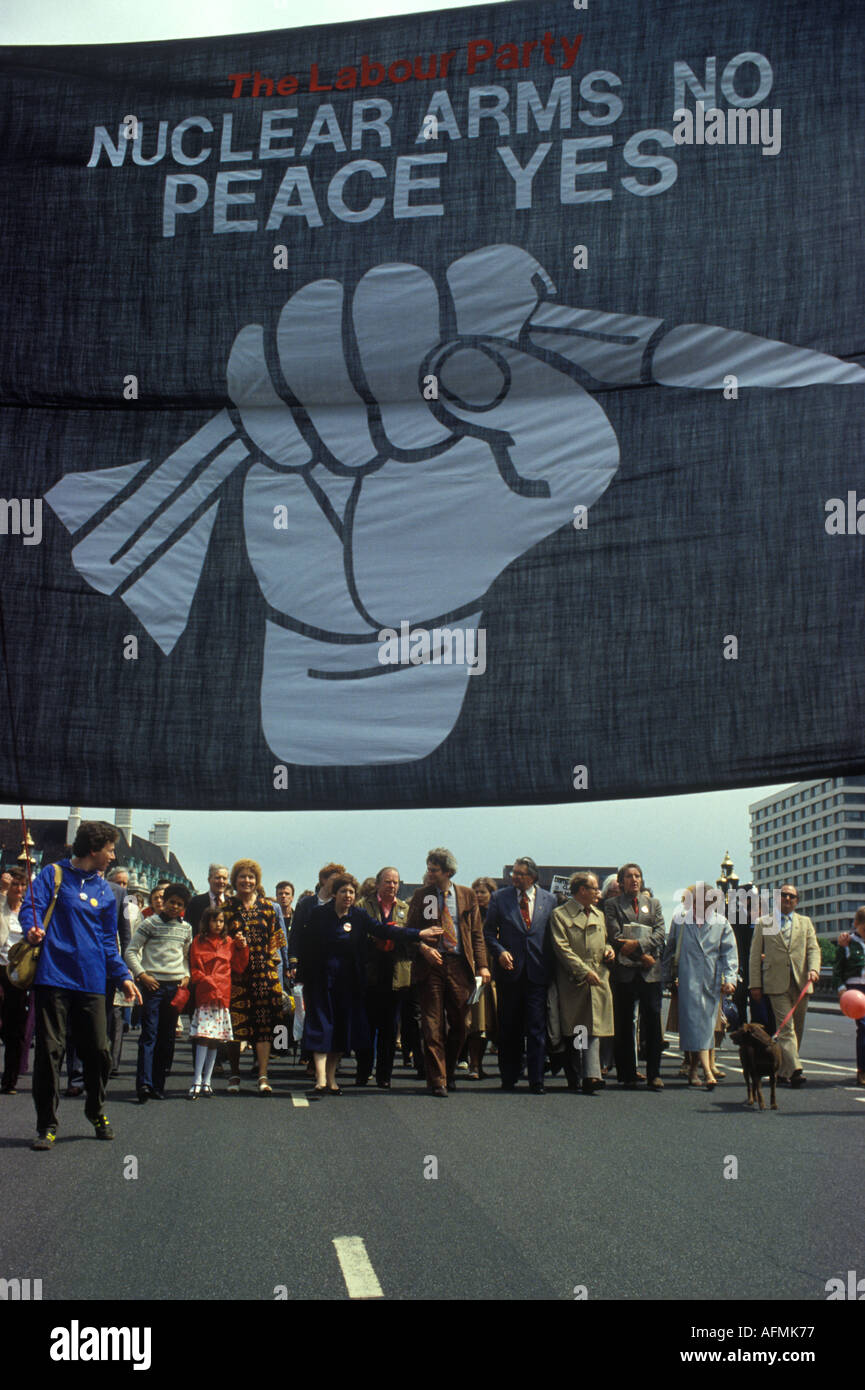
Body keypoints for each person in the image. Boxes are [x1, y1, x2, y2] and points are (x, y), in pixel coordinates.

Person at [19, 821, 142, 1150]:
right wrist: (32, 929)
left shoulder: (106, 891)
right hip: (53, 976)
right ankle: (47, 1125)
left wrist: (123, 976)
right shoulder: (53, 874)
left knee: (99, 1051)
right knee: (50, 1052)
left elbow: (108, 941)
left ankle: (95, 1109)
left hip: (91, 980)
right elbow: (32, 907)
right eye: (110, 850)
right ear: (93, 849)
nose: (112, 856)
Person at [298, 873, 441, 1096]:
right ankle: (321, 1078)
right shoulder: (319, 915)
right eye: (343, 891)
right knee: (321, 1026)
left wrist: (418, 934)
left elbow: (386, 930)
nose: (348, 895)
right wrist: (301, 975)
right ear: (334, 893)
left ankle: (332, 1079)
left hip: (348, 982)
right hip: (321, 980)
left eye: (351, 892)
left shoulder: (358, 916)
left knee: (340, 1029)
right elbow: (305, 946)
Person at [406, 848, 490, 1098]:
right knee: (432, 1025)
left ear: (448, 872)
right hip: (431, 965)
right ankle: (437, 1080)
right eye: (429, 869)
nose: (430, 874)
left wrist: (482, 965)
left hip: (459, 965)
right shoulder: (422, 896)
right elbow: (410, 932)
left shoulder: (466, 895)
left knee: (461, 1024)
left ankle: (449, 1069)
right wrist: (423, 949)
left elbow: (476, 934)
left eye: (434, 870)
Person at [484, 857, 555, 1094]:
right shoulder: (500, 898)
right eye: (513, 873)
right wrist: (499, 952)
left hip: (537, 972)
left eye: (519, 874)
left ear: (532, 877)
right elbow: (488, 933)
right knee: (509, 1027)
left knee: (536, 1028)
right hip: (510, 972)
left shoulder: (549, 900)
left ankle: (536, 1079)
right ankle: (509, 1076)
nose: (514, 877)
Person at [662, 883, 738, 1089]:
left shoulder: (721, 923)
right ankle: (706, 1070)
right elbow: (669, 950)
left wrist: (730, 979)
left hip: (711, 981)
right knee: (693, 1026)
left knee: (705, 1026)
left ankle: (696, 1069)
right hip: (686, 981)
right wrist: (666, 978)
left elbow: (730, 954)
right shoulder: (680, 921)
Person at [222, 859, 286, 1095]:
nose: (247, 881)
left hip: (263, 975)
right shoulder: (227, 908)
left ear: (257, 881)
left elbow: (276, 943)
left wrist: (274, 973)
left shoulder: (268, 907)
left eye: (251, 877)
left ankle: (263, 1075)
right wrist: (233, 944)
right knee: (236, 1026)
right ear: (235, 880)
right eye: (242, 877)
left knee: (264, 1026)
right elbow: (218, 941)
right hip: (236, 976)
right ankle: (234, 1074)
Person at [125, 882, 192, 1101]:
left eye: (179, 904)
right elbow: (131, 951)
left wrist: (186, 975)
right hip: (153, 986)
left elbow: (185, 957)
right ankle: (144, 1084)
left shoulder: (186, 928)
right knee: (149, 1035)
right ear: (164, 901)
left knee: (167, 1037)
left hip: (175, 987)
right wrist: (142, 975)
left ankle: (158, 1084)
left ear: (184, 907)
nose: (175, 907)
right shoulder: (150, 923)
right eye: (171, 902)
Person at [550, 872, 615, 1094]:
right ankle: (577, 1074)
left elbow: (603, 941)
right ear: (582, 890)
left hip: (598, 978)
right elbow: (562, 948)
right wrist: (583, 971)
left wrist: (608, 950)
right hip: (574, 979)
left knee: (594, 1028)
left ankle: (591, 1075)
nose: (598, 893)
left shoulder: (598, 914)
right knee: (577, 1029)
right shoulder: (560, 915)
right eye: (594, 888)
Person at [749, 884, 820, 1087]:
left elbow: (813, 949)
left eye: (791, 896)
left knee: (797, 1028)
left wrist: (814, 969)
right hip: (775, 983)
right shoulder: (764, 923)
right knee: (786, 1027)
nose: (787, 899)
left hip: (801, 983)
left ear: (797, 901)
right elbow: (755, 956)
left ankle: (782, 1070)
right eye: (783, 895)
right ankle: (796, 1069)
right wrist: (755, 984)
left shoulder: (805, 923)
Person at [604, 862, 666, 1090]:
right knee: (623, 1023)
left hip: (650, 973)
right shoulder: (612, 905)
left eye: (637, 876)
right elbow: (616, 936)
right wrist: (642, 956)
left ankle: (654, 1074)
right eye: (629, 876)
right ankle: (627, 1073)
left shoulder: (653, 904)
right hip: (625, 972)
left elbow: (660, 933)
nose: (634, 880)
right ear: (621, 882)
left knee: (653, 1024)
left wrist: (639, 946)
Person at [355, 868, 414, 1089]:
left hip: (395, 974)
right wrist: (375, 940)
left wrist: (397, 938)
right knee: (366, 1027)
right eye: (388, 882)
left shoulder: (405, 909)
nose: (392, 886)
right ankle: (363, 1071)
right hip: (370, 973)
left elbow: (412, 940)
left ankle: (384, 1075)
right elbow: (356, 938)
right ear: (378, 884)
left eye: (395, 882)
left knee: (389, 1028)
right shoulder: (362, 906)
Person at [188, 905, 250, 1097]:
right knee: (203, 1037)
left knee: (214, 1039)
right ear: (207, 922)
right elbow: (194, 967)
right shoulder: (198, 941)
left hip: (222, 994)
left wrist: (242, 947)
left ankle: (207, 1081)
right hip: (206, 993)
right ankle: (197, 1080)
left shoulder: (229, 942)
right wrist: (206, 980)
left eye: (221, 921)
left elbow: (239, 966)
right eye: (214, 920)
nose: (218, 924)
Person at [466, 876, 499, 1079]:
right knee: (477, 1023)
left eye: (483, 892)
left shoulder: (498, 917)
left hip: (496, 976)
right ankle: (474, 1065)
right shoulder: (468, 916)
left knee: (492, 1022)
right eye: (476, 892)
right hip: (476, 977)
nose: (478, 895)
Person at [0, 869, 29, 1094]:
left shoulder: (28, 912)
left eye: (21, 885)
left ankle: (10, 1079)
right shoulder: (2, 908)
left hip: (19, 973)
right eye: (14, 885)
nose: (18, 889)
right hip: (0, 967)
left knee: (15, 1028)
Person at [835, 908, 865, 1085]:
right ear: (856, 924)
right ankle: (862, 1070)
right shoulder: (847, 942)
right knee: (864, 1027)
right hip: (856, 991)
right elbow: (837, 969)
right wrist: (841, 987)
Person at [186, 864, 230, 932]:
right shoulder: (195, 902)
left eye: (224, 878)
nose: (221, 881)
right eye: (217, 878)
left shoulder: (231, 903)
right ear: (209, 879)